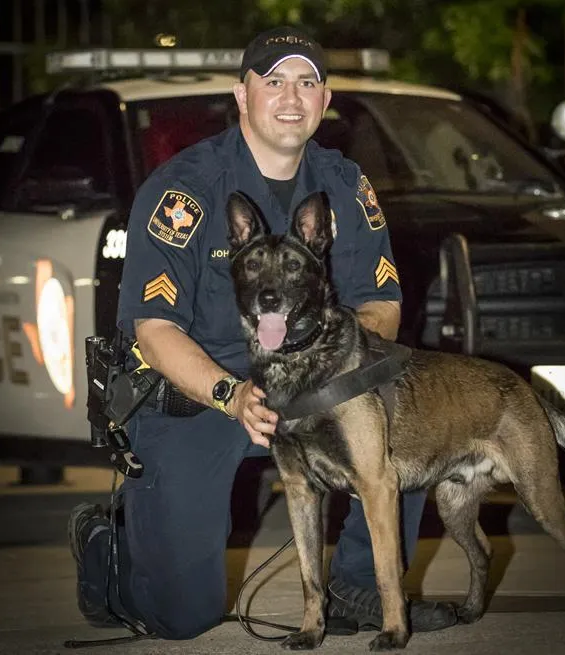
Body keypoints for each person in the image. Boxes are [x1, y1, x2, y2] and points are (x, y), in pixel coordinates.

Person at [69, 26, 458, 640]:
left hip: (312, 386)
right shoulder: (184, 189)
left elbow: (381, 305)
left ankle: (359, 585)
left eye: (307, 82)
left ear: (325, 101)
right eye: (272, 81)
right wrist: (230, 394)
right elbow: (153, 328)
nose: (290, 97)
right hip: (199, 395)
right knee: (181, 618)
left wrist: (330, 373)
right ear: (241, 95)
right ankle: (106, 547)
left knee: (403, 409)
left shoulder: (345, 185)